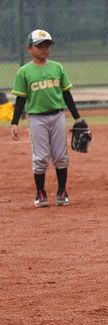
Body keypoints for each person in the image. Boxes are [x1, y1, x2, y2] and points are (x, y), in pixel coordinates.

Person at [10, 29, 85, 207]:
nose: (44, 49)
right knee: (41, 157)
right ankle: (40, 192)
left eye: (47, 46)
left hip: (58, 116)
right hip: (36, 119)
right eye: (39, 46)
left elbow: (67, 94)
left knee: (61, 156)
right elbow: (21, 99)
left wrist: (77, 118)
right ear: (29, 48)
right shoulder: (24, 72)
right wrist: (14, 122)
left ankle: (62, 190)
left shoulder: (57, 67)